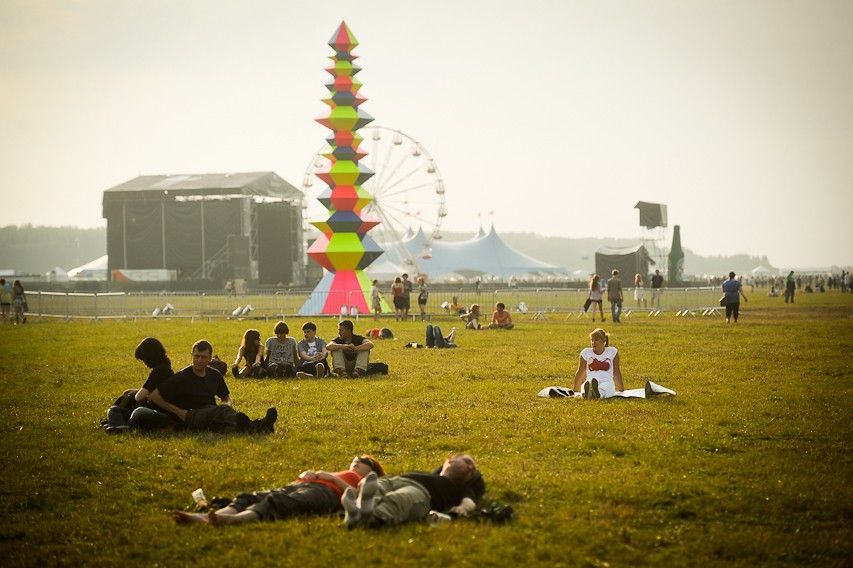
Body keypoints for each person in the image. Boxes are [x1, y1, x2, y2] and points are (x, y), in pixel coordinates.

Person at [172, 454, 385, 525]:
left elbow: (357, 497)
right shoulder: (341, 472)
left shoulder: (366, 481)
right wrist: (306, 475)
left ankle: (231, 520)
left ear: (373, 469)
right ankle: (211, 517)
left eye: (364, 460)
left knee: (275, 504)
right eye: (355, 459)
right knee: (252, 496)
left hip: (324, 494)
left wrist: (328, 477)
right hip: (303, 486)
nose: (357, 460)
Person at [145, 340, 277, 433]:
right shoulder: (181, 376)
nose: (199, 360)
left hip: (211, 414)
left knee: (225, 426)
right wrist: (179, 412)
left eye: (203, 357)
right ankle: (258, 423)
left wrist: (227, 403)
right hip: (192, 415)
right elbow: (154, 396)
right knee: (222, 412)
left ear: (210, 359)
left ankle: (257, 428)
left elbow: (226, 397)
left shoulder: (215, 375)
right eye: (196, 356)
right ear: (191, 355)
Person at [341, 453, 480, 528]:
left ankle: (364, 517)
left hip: (421, 492)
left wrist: (462, 509)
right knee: (375, 486)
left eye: (472, 471)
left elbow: (470, 503)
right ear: (449, 460)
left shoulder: (461, 487)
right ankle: (360, 511)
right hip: (395, 480)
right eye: (467, 462)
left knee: (398, 499)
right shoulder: (428, 474)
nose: (470, 468)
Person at [105, 337, 174, 433]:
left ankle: (118, 425)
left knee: (139, 412)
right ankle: (120, 426)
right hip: (156, 411)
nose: (145, 363)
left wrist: (137, 393)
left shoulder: (159, 371)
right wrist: (136, 391)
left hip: (160, 413)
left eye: (144, 359)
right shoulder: (166, 369)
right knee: (114, 410)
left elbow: (139, 397)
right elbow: (155, 390)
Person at [572, 328, 624, 400]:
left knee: (604, 388)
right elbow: (580, 372)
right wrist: (574, 391)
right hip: (590, 381)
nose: (593, 342)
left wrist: (622, 391)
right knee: (585, 386)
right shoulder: (585, 352)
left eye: (596, 340)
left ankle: (597, 394)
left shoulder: (612, 352)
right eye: (592, 340)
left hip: (606, 381)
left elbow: (616, 372)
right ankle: (587, 393)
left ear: (604, 341)